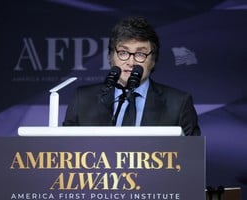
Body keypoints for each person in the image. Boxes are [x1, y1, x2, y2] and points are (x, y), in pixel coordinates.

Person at [63, 16, 200, 136]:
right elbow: (65, 153)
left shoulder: (179, 104)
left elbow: (192, 160)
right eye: (123, 53)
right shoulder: (83, 100)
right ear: (111, 57)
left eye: (140, 54)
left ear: (153, 61)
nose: (131, 62)